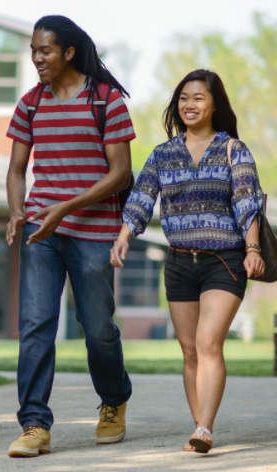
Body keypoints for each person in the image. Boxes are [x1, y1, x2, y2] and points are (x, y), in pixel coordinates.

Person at [112, 69, 264, 454]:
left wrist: (252, 249)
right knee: (190, 349)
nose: (190, 104)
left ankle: (205, 428)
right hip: (179, 262)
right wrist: (124, 237)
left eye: (198, 97)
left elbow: (248, 203)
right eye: (183, 98)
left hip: (223, 261)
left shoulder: (234, 149)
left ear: (214, 103)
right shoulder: (164, 154)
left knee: (208, 342)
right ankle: (199, 426)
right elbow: (141, 198)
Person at [5, 15, 134, 457]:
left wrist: (66, 207)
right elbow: (17, 169)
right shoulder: (31, 103)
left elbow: (121, 174)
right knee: (35, 327)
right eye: (33, 52)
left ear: (68, 52)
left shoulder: (107, 101)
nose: (37, 58)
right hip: (42, 233)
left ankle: (114, 400)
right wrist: (18, 210)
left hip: (94, 232)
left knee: (97, 329)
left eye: (45, 51)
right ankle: (34, 424)